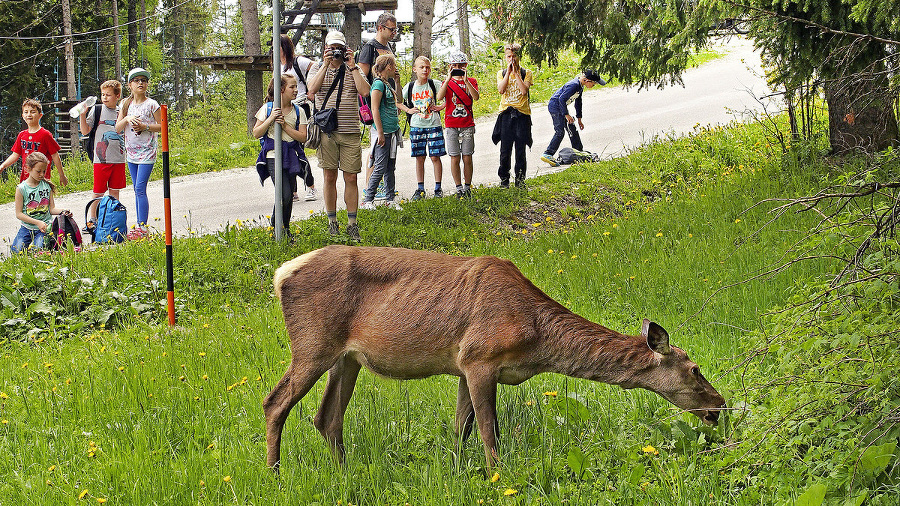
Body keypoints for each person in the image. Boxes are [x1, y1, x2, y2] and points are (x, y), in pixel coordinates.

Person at [307, 31, 371, 242]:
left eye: (340, 48)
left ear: (345, 49)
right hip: (327, 131)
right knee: (329, 176)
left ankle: (352, 223)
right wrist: (325, 65)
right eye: (333, 48)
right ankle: (332, 221)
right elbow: (311, 90)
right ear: (325, 48)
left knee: (351, 176)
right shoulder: (317, 67)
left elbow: (365, 92)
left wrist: (352, 65)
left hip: (350, 131)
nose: (336, 52)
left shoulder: (353, 69)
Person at [253, 74, 308, 238]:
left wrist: (284, 125)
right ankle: (275, 229)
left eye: (296, 86)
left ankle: (285, 230)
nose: (296, 90)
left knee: (289, 195)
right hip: (272, 156)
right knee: (283, 194)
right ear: (281, 90)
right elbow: (256, 133)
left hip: (291, 156)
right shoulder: (268, 108)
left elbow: (303, 137)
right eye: (292, 87)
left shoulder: (299, 111)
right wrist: (271, 119)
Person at [358, 12, 401, 200]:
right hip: (375, 103)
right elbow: (361, 75)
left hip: (388, 100)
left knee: (385, 150)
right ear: (380, 28)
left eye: (395, 29)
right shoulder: (369, 48)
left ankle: (381, 186)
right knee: (377, 147)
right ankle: (370, 187)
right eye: (391, 29)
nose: (394, 33)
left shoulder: (388, 46)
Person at [116, 67, 161, 240]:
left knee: (140, 189)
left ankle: (142, 227)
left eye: (144, 80)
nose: (140, 83)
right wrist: (127, 118)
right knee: (136, 189)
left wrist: (145, 127)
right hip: (131, 153)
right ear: (130, 85)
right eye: (136, 80)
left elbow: (163, 126)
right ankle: (139, 225)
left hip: (147, 152)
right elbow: (118, 128)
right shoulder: (125, 105)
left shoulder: (152, 104)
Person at [79, 79, 126, 232]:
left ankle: (113, 219)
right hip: (101, 159)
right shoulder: (97, 109)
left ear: (117, 95)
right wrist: (82, 115)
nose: (104, 98)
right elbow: (85, 131)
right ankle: (92, 220)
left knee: (114, 191)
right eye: (102, 94)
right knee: (98, 191)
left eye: (108, 95)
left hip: (119, 159)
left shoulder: (122, 111)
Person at [277, 35, 318, 202]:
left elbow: (316, 66)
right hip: (283, 108)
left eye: (276, 45)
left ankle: (310, 186)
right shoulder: (277, 65)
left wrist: (311, 89)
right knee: (285, 147)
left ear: (284, 46)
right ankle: (292, 191)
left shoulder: (297, 61)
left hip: (300, 106)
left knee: (296, 147)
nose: (273, 49)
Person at [361, 54, 402, 211]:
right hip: (383, 132)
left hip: (392, 131)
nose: (395, 68)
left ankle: (390, 198)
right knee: (379, 166)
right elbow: (375, 108)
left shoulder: (388, 84)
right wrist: (379, 132)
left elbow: (399, 100)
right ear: (389, 66)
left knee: (390, 166)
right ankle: (368, 199)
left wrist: (397, 82)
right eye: (394, 65)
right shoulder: (378, 84)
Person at [436, 50, 480, 199]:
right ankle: (458, 187)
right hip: (451, 124)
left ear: (465, 65)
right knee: (454, 157)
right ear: (449, 66)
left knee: (467, 156)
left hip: (467, 123)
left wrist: (466, 80)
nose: (457, 68)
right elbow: (440, 97)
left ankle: (467, 186)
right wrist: (448, 79)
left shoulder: (471, 81)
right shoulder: (447, 83)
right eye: (454, 65)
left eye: (460, 65)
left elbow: (476, 97)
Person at [400, 55, 445, 200]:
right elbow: (397, 100)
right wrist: (408, 110)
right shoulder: (410, 87)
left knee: (435, 156)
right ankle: (420, 189)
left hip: (434, 124)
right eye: (421, 67)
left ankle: (438, 188)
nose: (425, 70)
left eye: (427, 67)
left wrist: (440, 107)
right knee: (419, 157)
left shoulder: (435, 84)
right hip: (417, 126)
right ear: (415, 69)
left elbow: (448, 97)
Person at [541, 69, 606, 166]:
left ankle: (579, 152)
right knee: (560, 132)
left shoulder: (580, 86)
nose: (593, 86)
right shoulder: (574, 85)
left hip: (561, 107)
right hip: (555, 106)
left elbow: (578, 103)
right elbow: (561, 99)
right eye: (594, 84)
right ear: (587, 80)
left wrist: (579, 118)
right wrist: (566, 114)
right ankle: (548, 154)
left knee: (572, 127)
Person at [10, 152, 72, 254]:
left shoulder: (47, 186)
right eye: (38, 171)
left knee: (38, 251)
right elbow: (19, 214)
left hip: (45, 228)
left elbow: (51, 209)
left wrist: (64, 211)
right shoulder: (21, 188)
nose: (42, 174)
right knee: (16, 251)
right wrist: (37, 222)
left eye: (44, 171)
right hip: (27, 228)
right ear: (28, 169)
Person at [0, 99, 67, 187]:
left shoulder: (45, 134)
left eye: (32, 112)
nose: (29, 115)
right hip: (26, 180)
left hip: (41, 178)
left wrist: (61, 175)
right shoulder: (21, 135)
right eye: (26, 112)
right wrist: (3, 166)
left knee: (42, 200)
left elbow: (55, 155)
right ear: (23, 116)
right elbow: (15, 155)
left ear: (40, 115)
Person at [493, 43, 533, 188]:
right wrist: (509, 73)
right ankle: (504, 180)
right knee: (505, 150)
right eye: (509, 57)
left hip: (522, 115)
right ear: (505, 57)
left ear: (519, 57)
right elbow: (501, 90)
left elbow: (523, 91)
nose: (512, 59)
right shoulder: (501, 73)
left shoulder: (526, 72)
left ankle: (520, 180)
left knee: (520, 150)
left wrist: (516, 73)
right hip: (506, 115)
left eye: (514, 56)